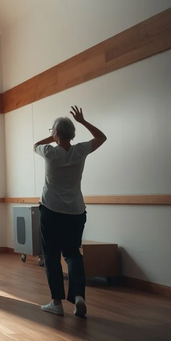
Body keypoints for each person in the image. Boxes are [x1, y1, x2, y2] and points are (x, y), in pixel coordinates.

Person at [34, 106, 106, 318]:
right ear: (71, 133)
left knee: (52, 256)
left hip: (51, 211)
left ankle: (56, 302)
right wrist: (82, 121)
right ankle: (78, 297)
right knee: (73, 254)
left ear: (55, 133)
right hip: (75, 212)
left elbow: (35, 145)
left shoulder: (49, 151)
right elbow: (101, 137)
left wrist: (53, 134)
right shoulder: (80, 150)